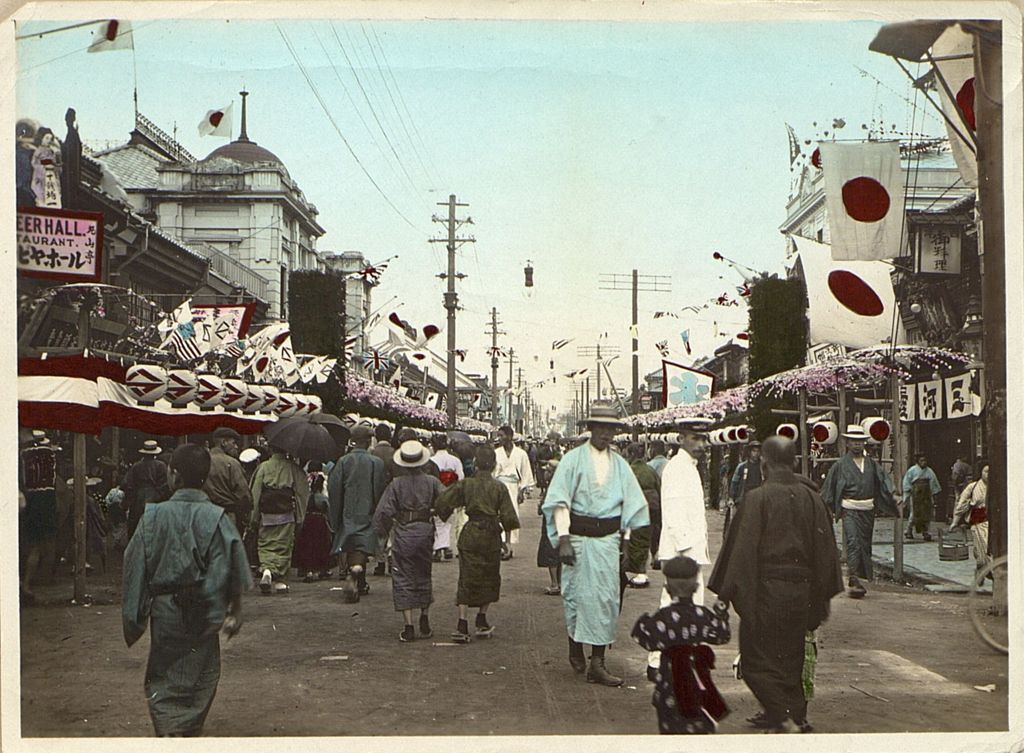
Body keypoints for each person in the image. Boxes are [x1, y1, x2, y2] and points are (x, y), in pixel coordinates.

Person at [708, 436, 843, 734]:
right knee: (791, 658)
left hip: (767, 591)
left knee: (756, 658)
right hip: (803, 592)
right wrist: (821, 598)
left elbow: (742, 550)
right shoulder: (813, 499)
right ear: (793, 462)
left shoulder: (758, 498)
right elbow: (826, 551)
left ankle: (782, 716)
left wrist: (726, 592)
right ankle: (793, 714)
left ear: (764, 463)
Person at [121, 443, 250, 737]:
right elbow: (231, 563)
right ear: (204, 478)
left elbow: (134, 564)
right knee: (203, 673)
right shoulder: (216, 517)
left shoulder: (152, 516)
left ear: (173, 474)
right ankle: (186, 729)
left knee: (164, 671)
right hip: (203, 606)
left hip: (164, 608)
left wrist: (135, 614)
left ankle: (169, 729)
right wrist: (234, 609)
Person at [541, 404, 650, 687]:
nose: (606, 434)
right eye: (601, 428)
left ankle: (597, 663)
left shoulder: (620, 465)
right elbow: (560, 500)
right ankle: (575, 645)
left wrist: (626, 543)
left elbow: (631, 505)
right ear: (591, 429)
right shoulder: (573, 460)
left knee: (606, 600)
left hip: (608, 541)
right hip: (578, 538)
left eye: (611, 429)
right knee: (576, 595)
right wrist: (563, 538)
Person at [631, 556, 731, 734]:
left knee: (671, 730)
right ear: (696, 587)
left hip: (670, 685)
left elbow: (646, 640)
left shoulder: (664, 617)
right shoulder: (702, 614)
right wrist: (721, 614)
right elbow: (722, 636)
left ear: (667, 588)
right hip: (697, 682)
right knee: (698, 724)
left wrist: (643, 621)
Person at [646, 418, 713, 681]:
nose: (701, 444)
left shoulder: (690, 467)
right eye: (695, 438)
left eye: (704, 439)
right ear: (682, 438)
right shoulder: (677, 468)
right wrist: (685, 552)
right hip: (681, 551)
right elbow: (673, 513)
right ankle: (658, 662)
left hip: (690, 550)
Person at [435, 446, 519, 643]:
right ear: (494, 465)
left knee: (466, 578)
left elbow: (443, 502)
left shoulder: (466, 484)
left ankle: (462, 624)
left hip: (471, 532)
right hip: (491, 535)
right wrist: (507, 542)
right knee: (490, 577)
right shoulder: (499, 487)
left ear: (475, 463)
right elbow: (508, 516)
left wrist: (442, 515)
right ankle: (481, 619)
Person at [372, 440, 445, 642]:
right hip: (425, 530)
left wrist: (382, 532)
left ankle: (409, 625)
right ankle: (424, 616)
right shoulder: (432, 482)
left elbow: (384, 512)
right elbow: (447, 500)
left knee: (403, 576)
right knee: (424, 573)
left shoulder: (396, 484)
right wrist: (435, 510)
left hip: (404, 532)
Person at [821, 425, 898, 599]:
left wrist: (893, 494)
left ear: (864, 443)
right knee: (853, 542)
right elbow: (828, 488)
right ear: (847, 443)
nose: (857, 445)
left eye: (860, 442)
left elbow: (883, 480)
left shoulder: (871, 463)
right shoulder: (840, 465)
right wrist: (825, 506)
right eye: (853, 442)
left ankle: (859, 578)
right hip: (850, 509)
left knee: (864, 544)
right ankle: (854, 578)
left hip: (867, 510)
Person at [328, 425, 387, 602]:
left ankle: (357, 577)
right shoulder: (376, 463)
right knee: (362, 547)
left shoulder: (343, 462)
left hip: (348, 511)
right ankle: (356, 573)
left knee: (351, 545)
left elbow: (334, 489)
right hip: (368, 511)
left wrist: (335, 514)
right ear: (369, 441)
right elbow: (379, 489)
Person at [249, 445, 309, 595]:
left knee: (265, 544)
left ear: (270, 450)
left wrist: (253, 517)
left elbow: (255, 494)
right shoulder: (293, 469)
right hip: (286, 514)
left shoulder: (263, 467)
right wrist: (300, 516)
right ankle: (280, 582)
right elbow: (302, 493)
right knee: (284, 546)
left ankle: (267, 571)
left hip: (266, 514)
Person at [19, 430, 59, 604]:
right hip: (47, 501)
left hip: (30, 501)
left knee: (30, 544)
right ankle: (34, 582)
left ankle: (25, 582)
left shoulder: (23, 455)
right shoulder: (50, 454)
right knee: (47, 542)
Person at [493, 425, 535, 560]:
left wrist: (522, 491)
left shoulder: (521, 454)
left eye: (502, 436)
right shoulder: (496, 453)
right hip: (499, 486)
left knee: (510, 516)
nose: (499, 439)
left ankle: (508, 544)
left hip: (513, 487)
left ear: (510, 437)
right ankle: (500, 546)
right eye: (498, 436)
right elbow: (492, 473)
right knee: (498, 516)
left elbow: (525, 472)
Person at [202, 427, 253, 537]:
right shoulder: (232, 463)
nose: (236, 447)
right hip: (227, 516)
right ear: (223, 442)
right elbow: (243, 495)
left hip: (203, 515)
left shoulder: (201, 460)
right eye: (233, 443)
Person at [624, 442, 658, 590]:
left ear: (631, 454)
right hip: (652, 507)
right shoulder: (650, 470)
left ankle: (640, 573)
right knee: (645, 539)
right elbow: (659, 487)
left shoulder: (628, 470)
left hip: (635, 507)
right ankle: (641, 571)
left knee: (634, 539)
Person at [121, 440, 171, 539]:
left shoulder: (136, 466)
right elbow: (165, 486)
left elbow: (129, 485)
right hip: (155, 498)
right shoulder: (161, 466)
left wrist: (128, 502)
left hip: (138, 498)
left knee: (136, 525)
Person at [429, 433, 465, 562]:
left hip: (437, 492)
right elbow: (461, 477)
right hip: (451, 491)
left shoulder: (431, 460)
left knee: (437, 521)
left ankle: (438, 548)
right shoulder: (455, 460)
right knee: (449, 521)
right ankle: (445, 546)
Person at [950, 460, 990, 577]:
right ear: (981, 472)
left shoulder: (997, 487)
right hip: (978, 522)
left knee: (991, 550)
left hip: (993, 522)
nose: (988, 474)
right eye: (986, 471)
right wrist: (955, 522)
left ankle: (988, 571)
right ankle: (982, 568)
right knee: (981, 550)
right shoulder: (972, 487)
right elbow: (961, 505)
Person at [294, 466, 334, 582]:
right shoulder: (323, 499)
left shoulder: (307, 497)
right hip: (320, 524)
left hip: (308, 523)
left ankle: (308, 570)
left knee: (308, 547)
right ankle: (323, 569)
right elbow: (329, 512)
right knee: (321, 546)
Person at [902, 454, 941, 542]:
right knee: (914, 513)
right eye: (921, 461)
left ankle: (926, 532)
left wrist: (934, 494)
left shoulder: (929, 471)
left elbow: (934, 483)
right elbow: (907, 482)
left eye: (925, 460)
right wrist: (908, 493)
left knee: (926, 514)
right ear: (918, 462)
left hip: (926, 495)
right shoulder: (912, 470)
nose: (924, 462)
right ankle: (908, 530)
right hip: (916, 494)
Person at [729, 441, 764, 509]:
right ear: (749, 452)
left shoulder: (763, 467)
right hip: (743, 498)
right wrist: (731, 498)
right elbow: (734, 482)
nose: (756, 454)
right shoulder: (741, 467)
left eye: (758, 451)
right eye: (754, 451)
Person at [950, 454, 973, 520]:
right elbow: (956, 475)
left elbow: (955, 475)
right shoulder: (961, 464)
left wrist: (955, 483)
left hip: (963, 483)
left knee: (959, 500)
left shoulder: (958, 465)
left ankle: (958, 519)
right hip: (964, 483)